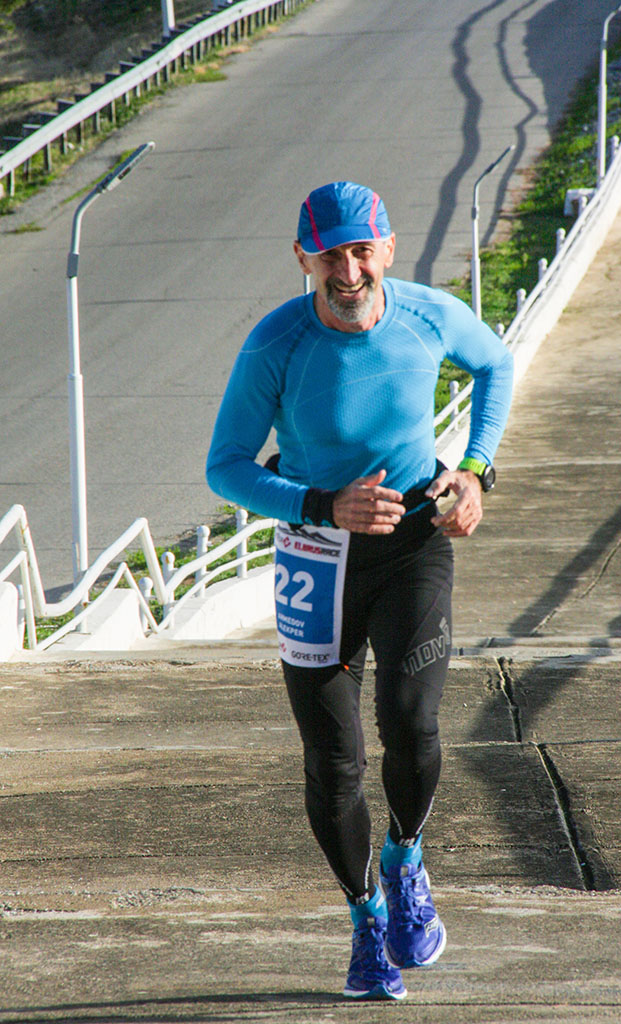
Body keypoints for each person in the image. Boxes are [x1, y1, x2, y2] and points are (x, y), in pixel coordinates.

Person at [206, 181, 513, 1001]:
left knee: (411, 725)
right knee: (332, 762)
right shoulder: (275, 345)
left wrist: (476, 472)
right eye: (330, 254)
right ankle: (365, 922)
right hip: (315, 555)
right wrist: (317, 503)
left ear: (387, 246)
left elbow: (495, 365)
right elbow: (225, 465)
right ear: (303, 257)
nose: (348, 271)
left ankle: (405, 856)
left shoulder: (426, 314)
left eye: (361, 250)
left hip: (413, 544)